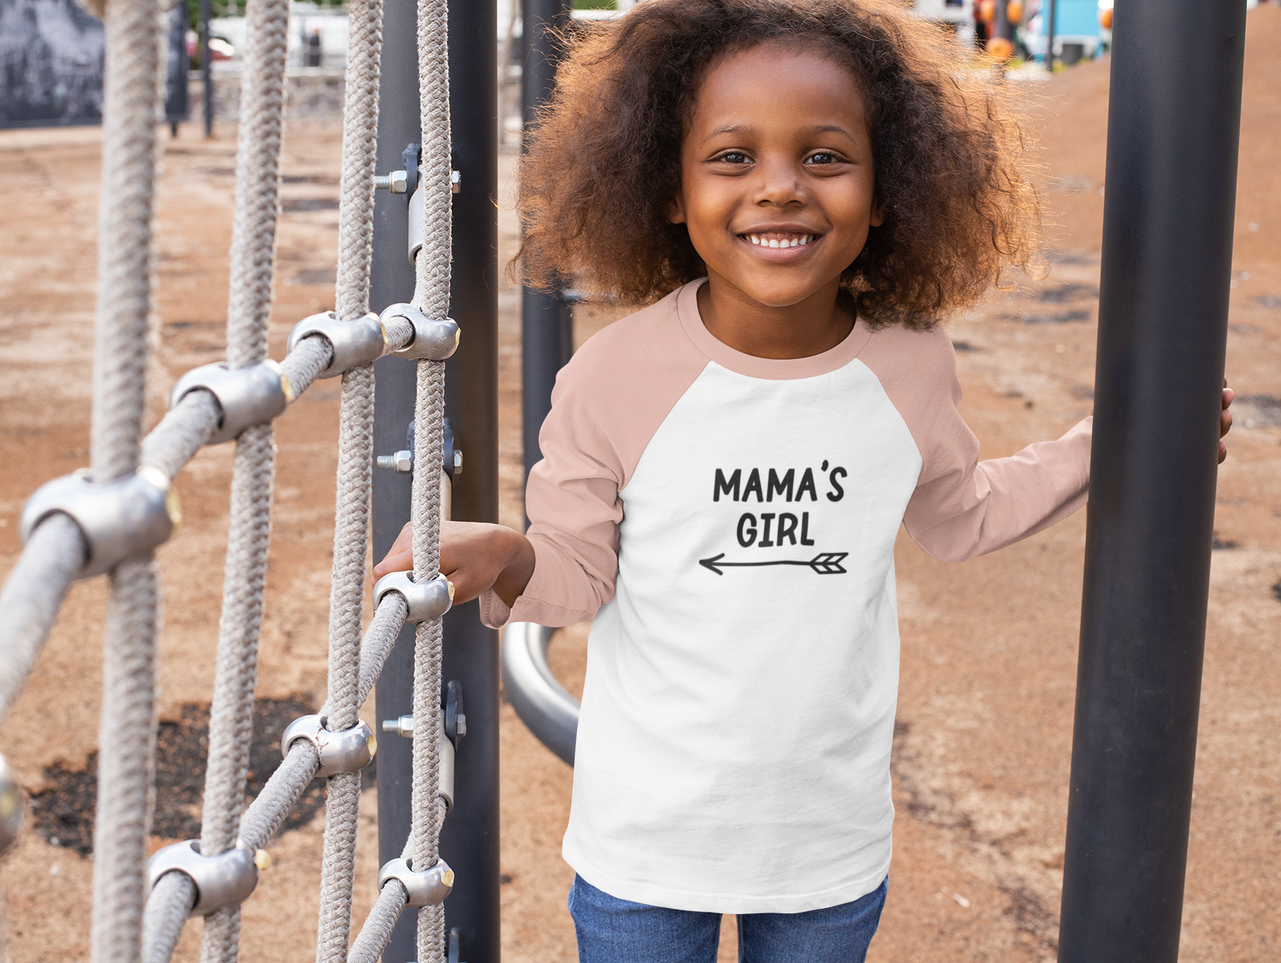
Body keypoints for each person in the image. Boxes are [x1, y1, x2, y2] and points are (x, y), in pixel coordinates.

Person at [375, 0, 1233, 958]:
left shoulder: (906, 363)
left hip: (826, 845)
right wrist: (507, 552)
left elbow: (960, 516)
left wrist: (1105, 441)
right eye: (732, 157)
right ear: (668, 188)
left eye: (824, 157)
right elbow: (581, 569)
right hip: (645, 842)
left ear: (884, 189)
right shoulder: (614, 376)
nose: (778, 188)